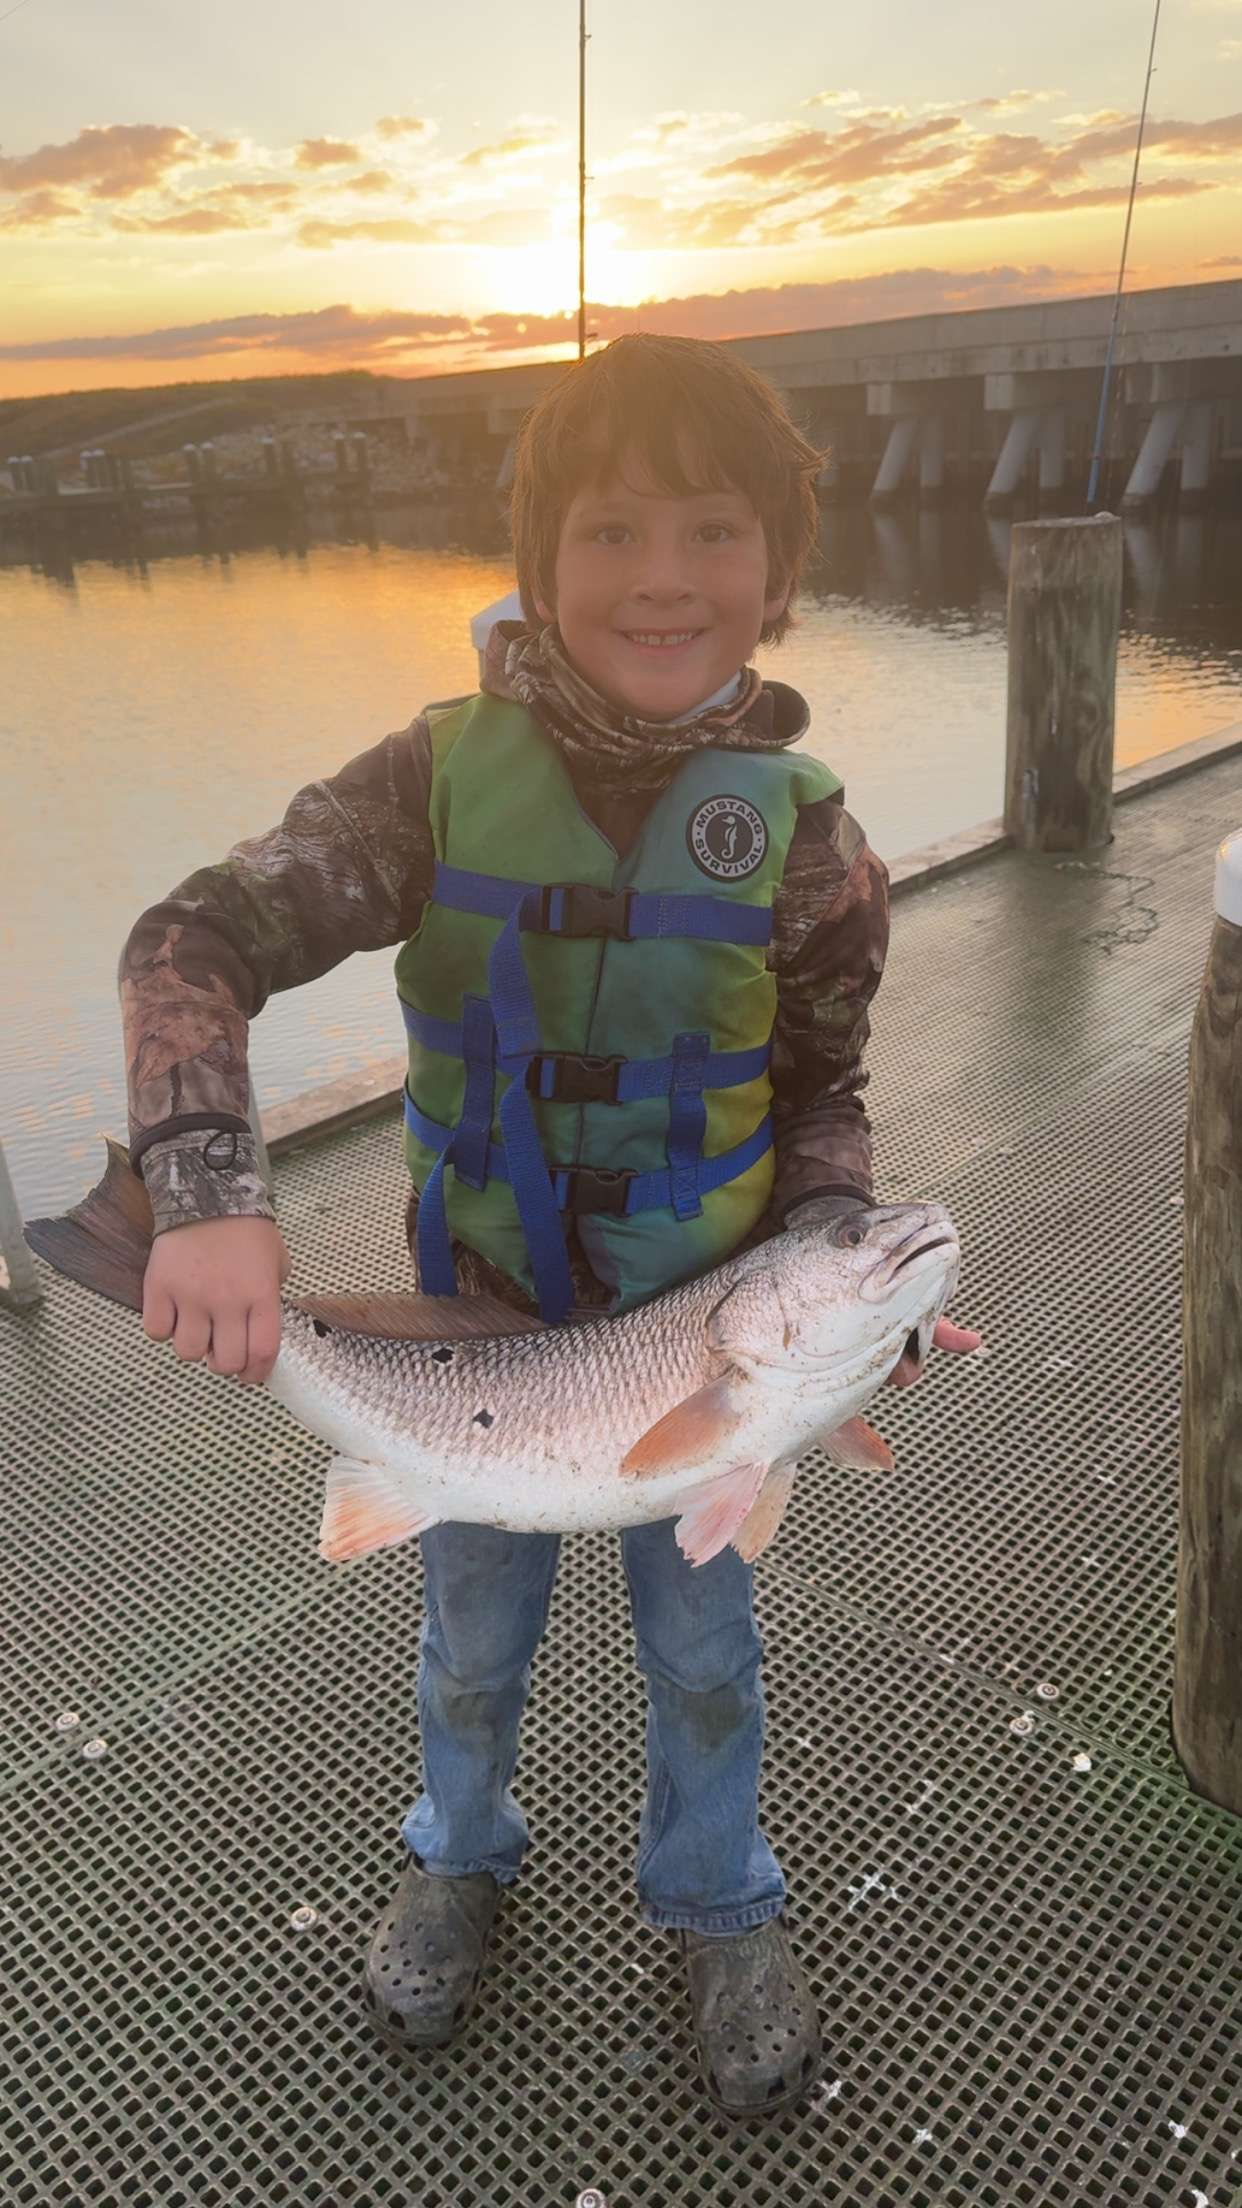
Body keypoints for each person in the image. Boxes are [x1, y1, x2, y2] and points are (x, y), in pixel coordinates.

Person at [121, 333, 977, 2118]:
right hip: (476, 1327)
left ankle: (716, 1895)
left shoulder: (811, 848)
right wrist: (201, 1194)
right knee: (469, 1634)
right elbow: (191, 936)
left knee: (707, 1652)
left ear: (779, 568)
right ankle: (457, 1852)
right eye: (610, 531)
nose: (662, 576)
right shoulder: (429, 782)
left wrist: (845, 1287)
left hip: (710, 1320)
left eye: (713, 529)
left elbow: (823, 1088)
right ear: (536, 558)